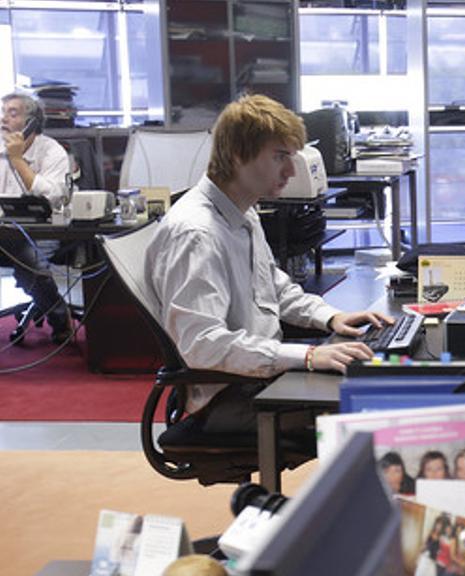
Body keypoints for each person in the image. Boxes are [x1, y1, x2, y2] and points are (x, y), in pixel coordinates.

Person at [146, 95, 392, 436]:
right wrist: (305, 356)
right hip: (227, 396)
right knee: (376, 410)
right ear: (237, 156)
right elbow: (203, 345)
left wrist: (329, 317)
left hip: (259, 377)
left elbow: (274, 288)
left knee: (380, 387)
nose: (291, 171)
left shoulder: (242, 210)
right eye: (280, 157)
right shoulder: (196, 233)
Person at [0, 92, 71, 345]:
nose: (3, 118)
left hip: (42, 233)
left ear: (32, 122)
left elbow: (52, 197)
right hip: (3, 235)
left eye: (13, 113)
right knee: (19, 251)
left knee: (29, 260)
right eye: (3, 111)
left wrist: (18, 159)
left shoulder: (52, 152)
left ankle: (60, 318)